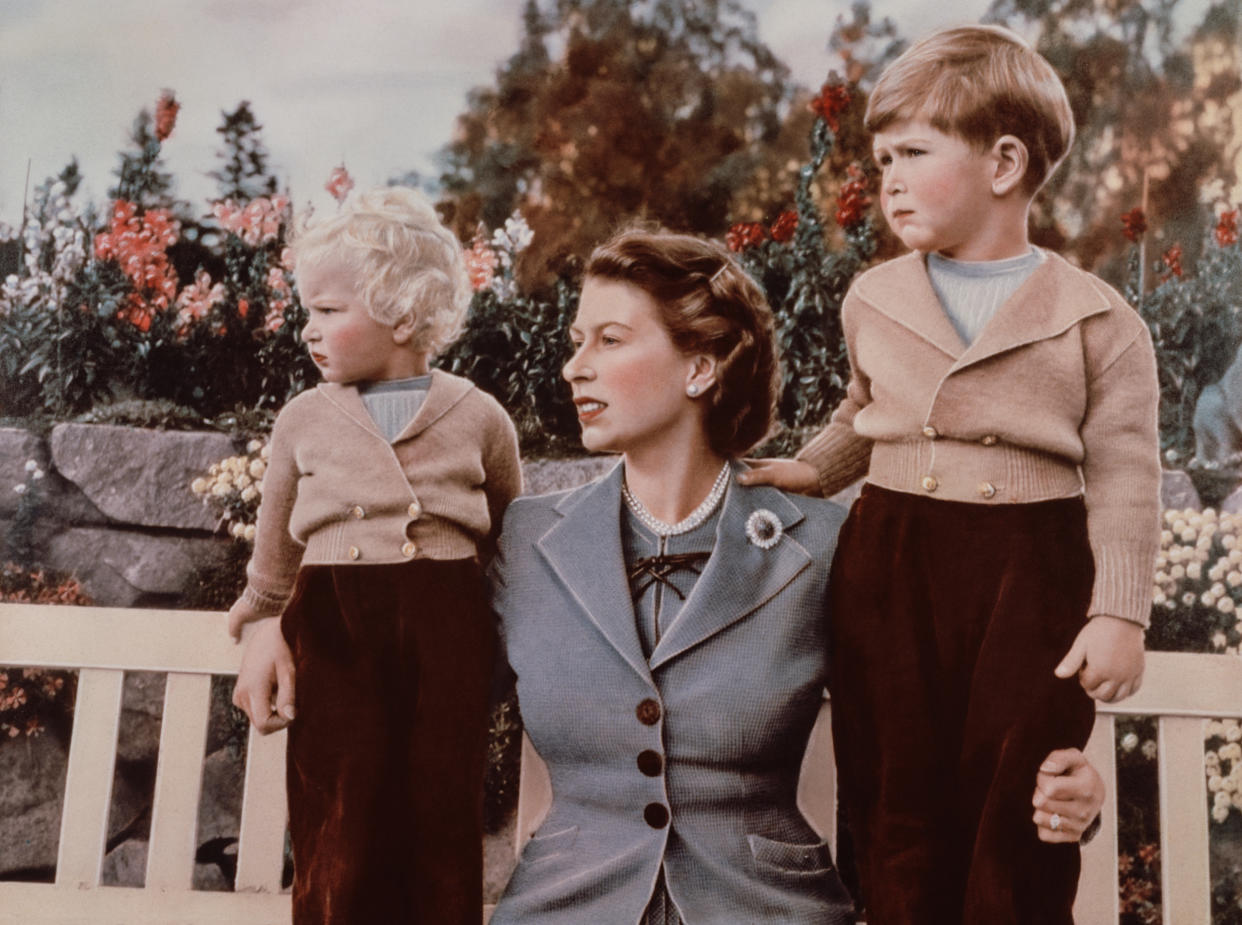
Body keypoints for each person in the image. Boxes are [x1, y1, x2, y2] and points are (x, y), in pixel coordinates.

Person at [489, 227, 1107, 924]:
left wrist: (1069, 797)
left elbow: (938, 747)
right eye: (577, 341)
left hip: (766, 909)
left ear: (702, 367)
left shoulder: (821, 546)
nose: (575, 367)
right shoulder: (530, 541)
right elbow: (427, 729)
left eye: (609, 339)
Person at [740, 25, 1160, 924]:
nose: (886, 176)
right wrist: (815, 471)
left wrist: (1119, 611)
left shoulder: (1098, 318)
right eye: (881, 155)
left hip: (1031, 571)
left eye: (913, 153)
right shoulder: (875, 298)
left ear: (1004, 163)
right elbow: (864, 410)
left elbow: (1127, 468)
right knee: (894, 791)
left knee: (1021, 797)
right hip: (893, 560)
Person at [226, 186, 522, 924]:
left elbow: (513, 538)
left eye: (328, 311)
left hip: (448, 627)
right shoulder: (303, 419)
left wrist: (514, 634)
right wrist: (264, 625)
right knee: (341, 808)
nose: (308, 330)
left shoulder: (480, 416)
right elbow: (275, 549)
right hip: (335, 628)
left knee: (440, 807)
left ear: (401, 311)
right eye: (308, 311)